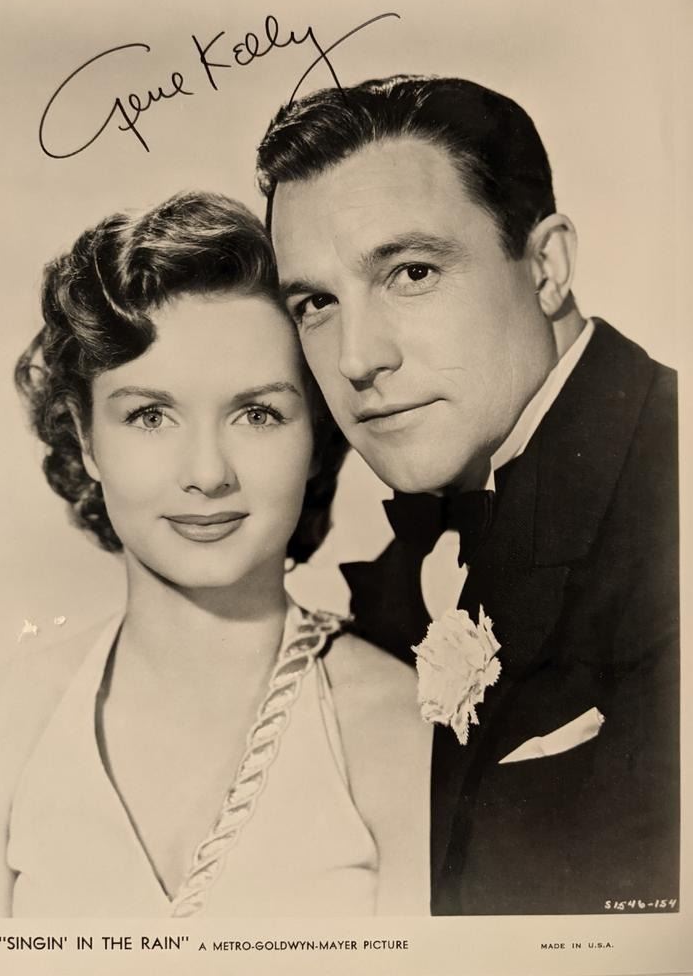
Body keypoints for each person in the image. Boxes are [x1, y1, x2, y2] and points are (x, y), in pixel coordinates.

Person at [0, 191, 431, 918]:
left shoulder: (400, 729)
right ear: (86, 439)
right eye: (150, 415)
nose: (207, 473)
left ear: (316, 434)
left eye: (257, 413)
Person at [256, 75, 679, 915]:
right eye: (316, 303)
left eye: (411, 272)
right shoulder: (405, 560)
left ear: (546, 266)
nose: (356, 359)